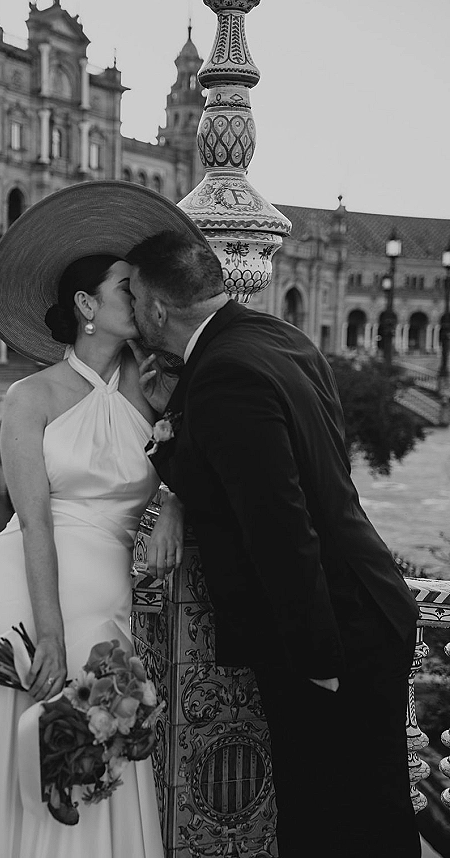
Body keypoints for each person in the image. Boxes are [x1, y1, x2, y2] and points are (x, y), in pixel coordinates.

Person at [127, 230, 421, 858]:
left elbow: (279, 525)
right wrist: (174, 428)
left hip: (333, 632)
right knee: (374, 811)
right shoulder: (277, 338)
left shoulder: (226, 373)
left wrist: (318, 660)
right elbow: (291, 471)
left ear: (156, 309)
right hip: (369, 603)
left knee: (330, 822)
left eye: (133, 296)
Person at [0, 182, 207, 858]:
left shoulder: (157, 389)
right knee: (22, 738)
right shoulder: (31, 396)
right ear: (87, 306)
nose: (139, 298)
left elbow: (198, 459)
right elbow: (33, 521)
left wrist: (172, 503)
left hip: (106, 581)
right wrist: (49, 629)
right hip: (24, 583)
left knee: (98, 759)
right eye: (124, 287)